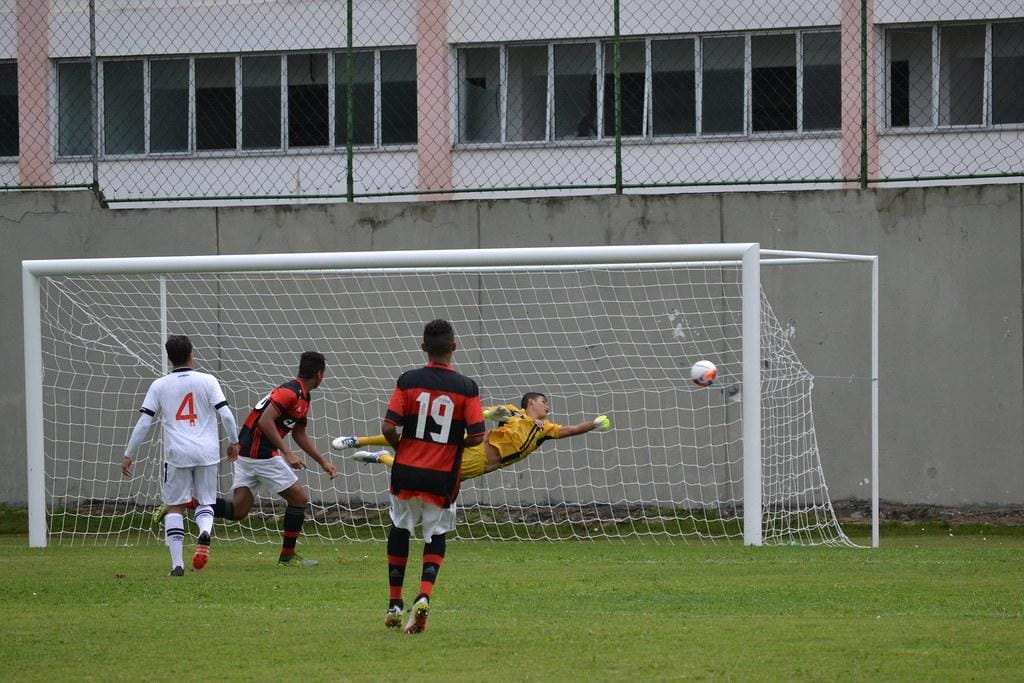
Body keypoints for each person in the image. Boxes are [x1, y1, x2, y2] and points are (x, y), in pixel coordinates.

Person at [382, 319, 484, 634]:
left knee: (400, 527)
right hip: (441, 475)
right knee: (436, 533)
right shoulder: (467, 388)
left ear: (423, 347)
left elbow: (388, 427)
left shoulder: (408, 380)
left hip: (407, 471)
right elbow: (479, 436)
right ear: (454, 347)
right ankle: (424, 594)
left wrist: (405, 448)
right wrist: (452, 445)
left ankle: (395, 602)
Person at [122, 335, 240, 576]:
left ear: (169, 358)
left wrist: (129, 454)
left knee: (175, 506)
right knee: (205, 501)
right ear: (191, 354)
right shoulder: (208, 380)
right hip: (206, 452)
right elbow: (226, 415)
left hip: (177, 454)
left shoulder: (159, 385)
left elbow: (144, 422)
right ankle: (204, 532)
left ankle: (177, 565)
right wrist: (234, 442)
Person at [209, 351, 337, 567]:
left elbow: (299, 433)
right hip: (261, 456)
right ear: (319, 374)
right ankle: (287, 557)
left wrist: (322, 461)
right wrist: (287, 453)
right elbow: (265, 422)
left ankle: (183, 502)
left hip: (248, 454)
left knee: (239, 510)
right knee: (299, 499)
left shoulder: (302, 396)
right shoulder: (290, 393)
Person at [334, 392, 612, 480]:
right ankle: (359, 440)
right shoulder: (515, 412)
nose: (548, 406)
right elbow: (485, 412)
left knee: (425, 475)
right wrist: (495, 413)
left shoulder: (545, 429)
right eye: (543, 401)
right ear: (531, 402)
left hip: (482, 461)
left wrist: (595, 424)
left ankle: (381, 457)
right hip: (476, 444)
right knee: (421, 436)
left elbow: (572, 430)